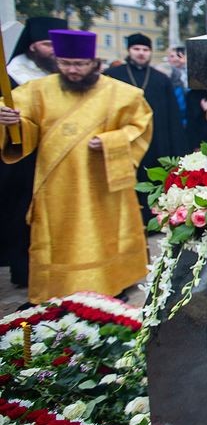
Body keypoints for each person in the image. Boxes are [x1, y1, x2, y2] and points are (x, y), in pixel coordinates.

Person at [1, 30, 152, 304]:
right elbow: (23, 125)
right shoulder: (36, 91)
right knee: (56, 238)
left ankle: (110, 284)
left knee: (103, 234)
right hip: (56, 183)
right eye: (65, 63)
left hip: (102, 182)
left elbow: (140, 127)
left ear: (94, 62)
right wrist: (11, 122)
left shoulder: (122, 94)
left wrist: (110, 141)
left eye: (80, 64)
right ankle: (54, 290)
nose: (72, 70)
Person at [0, 17, 67, 289]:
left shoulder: (69, 73)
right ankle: (25, 270)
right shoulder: (12, 76)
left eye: (57, 44)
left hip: (62, 156)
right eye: (47, 44)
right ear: (31, 47)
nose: (54, 50)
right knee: (25, 214)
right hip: (26, 160)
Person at [104, 33, 186, 221]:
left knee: (153, 182)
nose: (141, 53)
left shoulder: (161, 79)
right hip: (126, 139)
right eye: (137, 49)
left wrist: (178, 148)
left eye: (145, 49)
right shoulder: (113, 76)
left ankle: (152, 220)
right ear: (129, 50)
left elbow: (173, 115)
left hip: (157, 140)